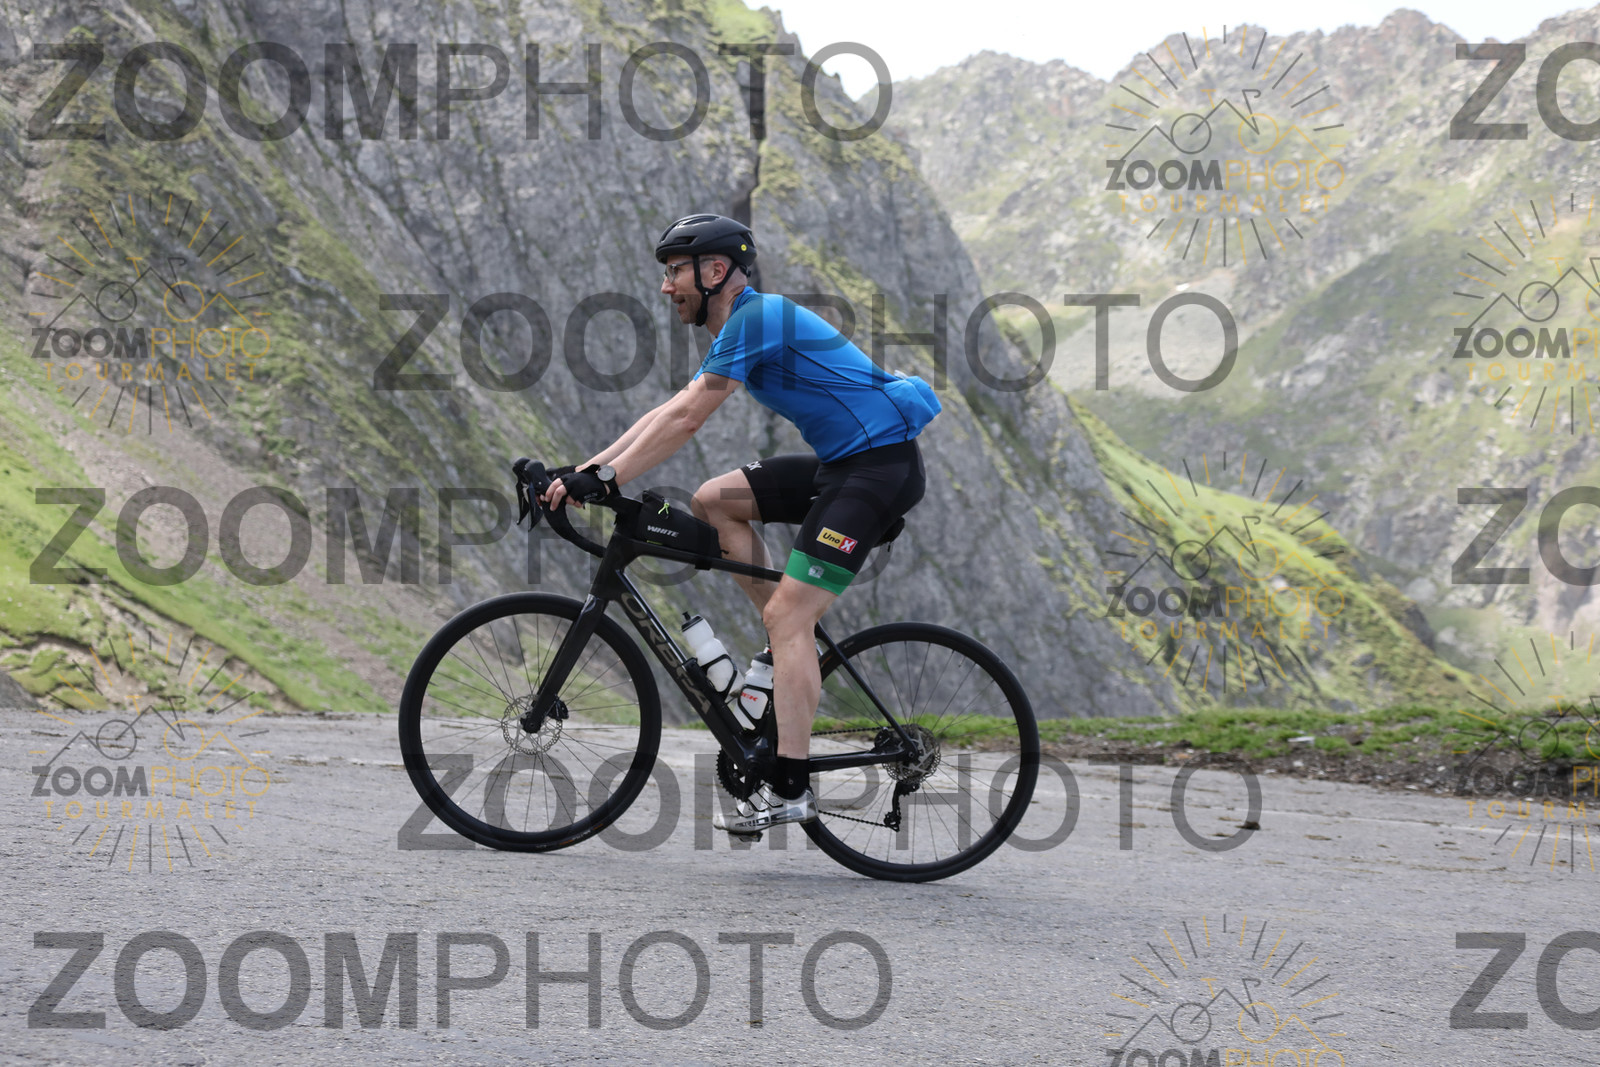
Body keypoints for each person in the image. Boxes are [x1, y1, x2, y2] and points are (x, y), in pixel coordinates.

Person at [542, 213, 941, 834]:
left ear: (715, 271)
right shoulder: (741, 324)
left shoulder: (759, 318)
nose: (666, 286)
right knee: (715, 501)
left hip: (879, 469)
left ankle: (791, 786)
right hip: (845, 464)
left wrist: (610, 478)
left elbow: (688, 421)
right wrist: (585, 471)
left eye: (675, 272)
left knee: (790, 616)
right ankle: (782, 649)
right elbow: (672, 407)